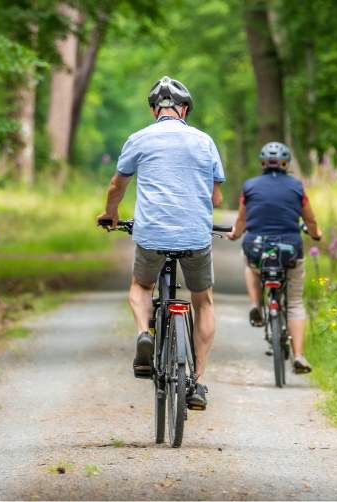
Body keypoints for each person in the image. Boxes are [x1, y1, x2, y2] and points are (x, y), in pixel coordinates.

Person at [97, 76, 225, 410]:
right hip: (196, 235)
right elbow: (216, 195)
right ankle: (197, 382)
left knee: (141, 286)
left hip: (152, 233)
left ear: (155, 110)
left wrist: (111, 214)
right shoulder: (204, 141)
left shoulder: (139, 139)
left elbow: (116, 186)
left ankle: (144, 333)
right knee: (204, 301)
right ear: (184, 110)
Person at [226, 142, 321, 374]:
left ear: (262, 163)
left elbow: (241, 220)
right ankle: (299, 355)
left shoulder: (249, 186)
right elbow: (310, 220)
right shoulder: (297, 187)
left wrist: (236, 234)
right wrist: (316, 234)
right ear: (286, 163)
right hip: (290, 249)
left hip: (257, 247)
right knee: (296, 303)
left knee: (250, 264)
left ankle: (256, 304)